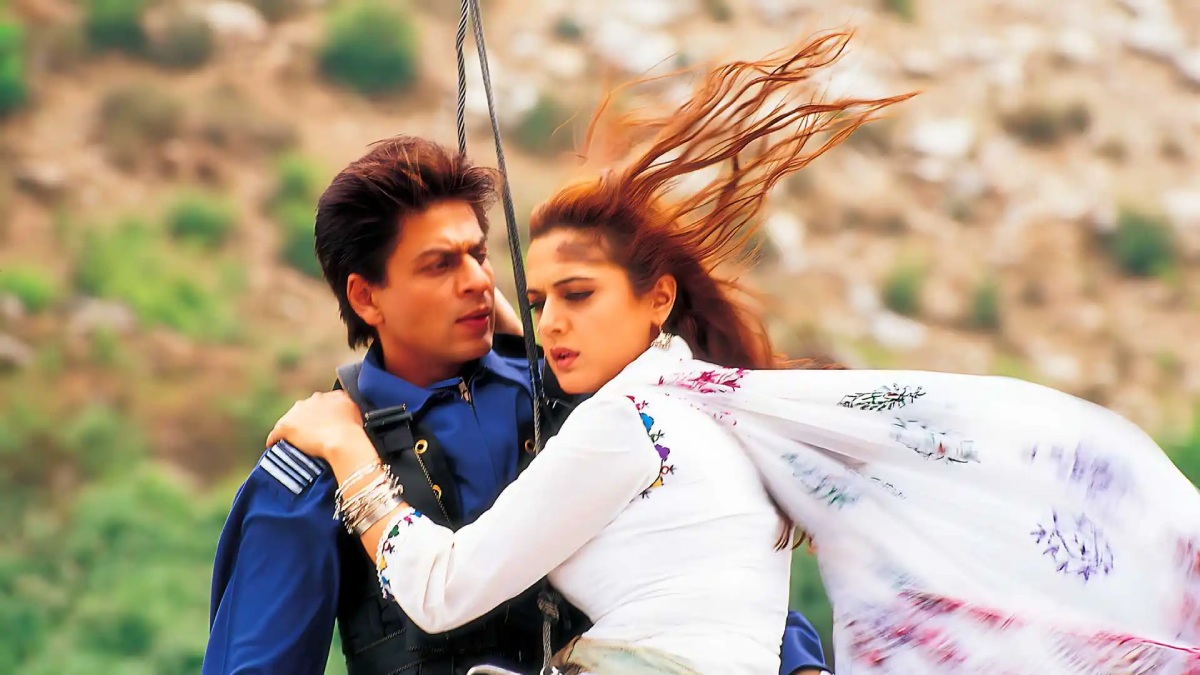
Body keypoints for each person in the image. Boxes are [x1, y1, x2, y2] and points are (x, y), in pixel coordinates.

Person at [269, 30, 1200, 674]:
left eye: (577, 297)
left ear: (658, 298)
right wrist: (518, 318)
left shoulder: (625, 427)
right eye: (542, 302)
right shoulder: (716, 405)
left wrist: (349, 449)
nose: (550, 325)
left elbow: (441, 591)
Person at [203, 132, 829, 672]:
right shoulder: (315, 467)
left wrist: (800, 664)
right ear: (366, 298)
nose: (477, 280)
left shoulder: (579, 398)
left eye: (478, 254)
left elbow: (703, 567)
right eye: (439, 265)